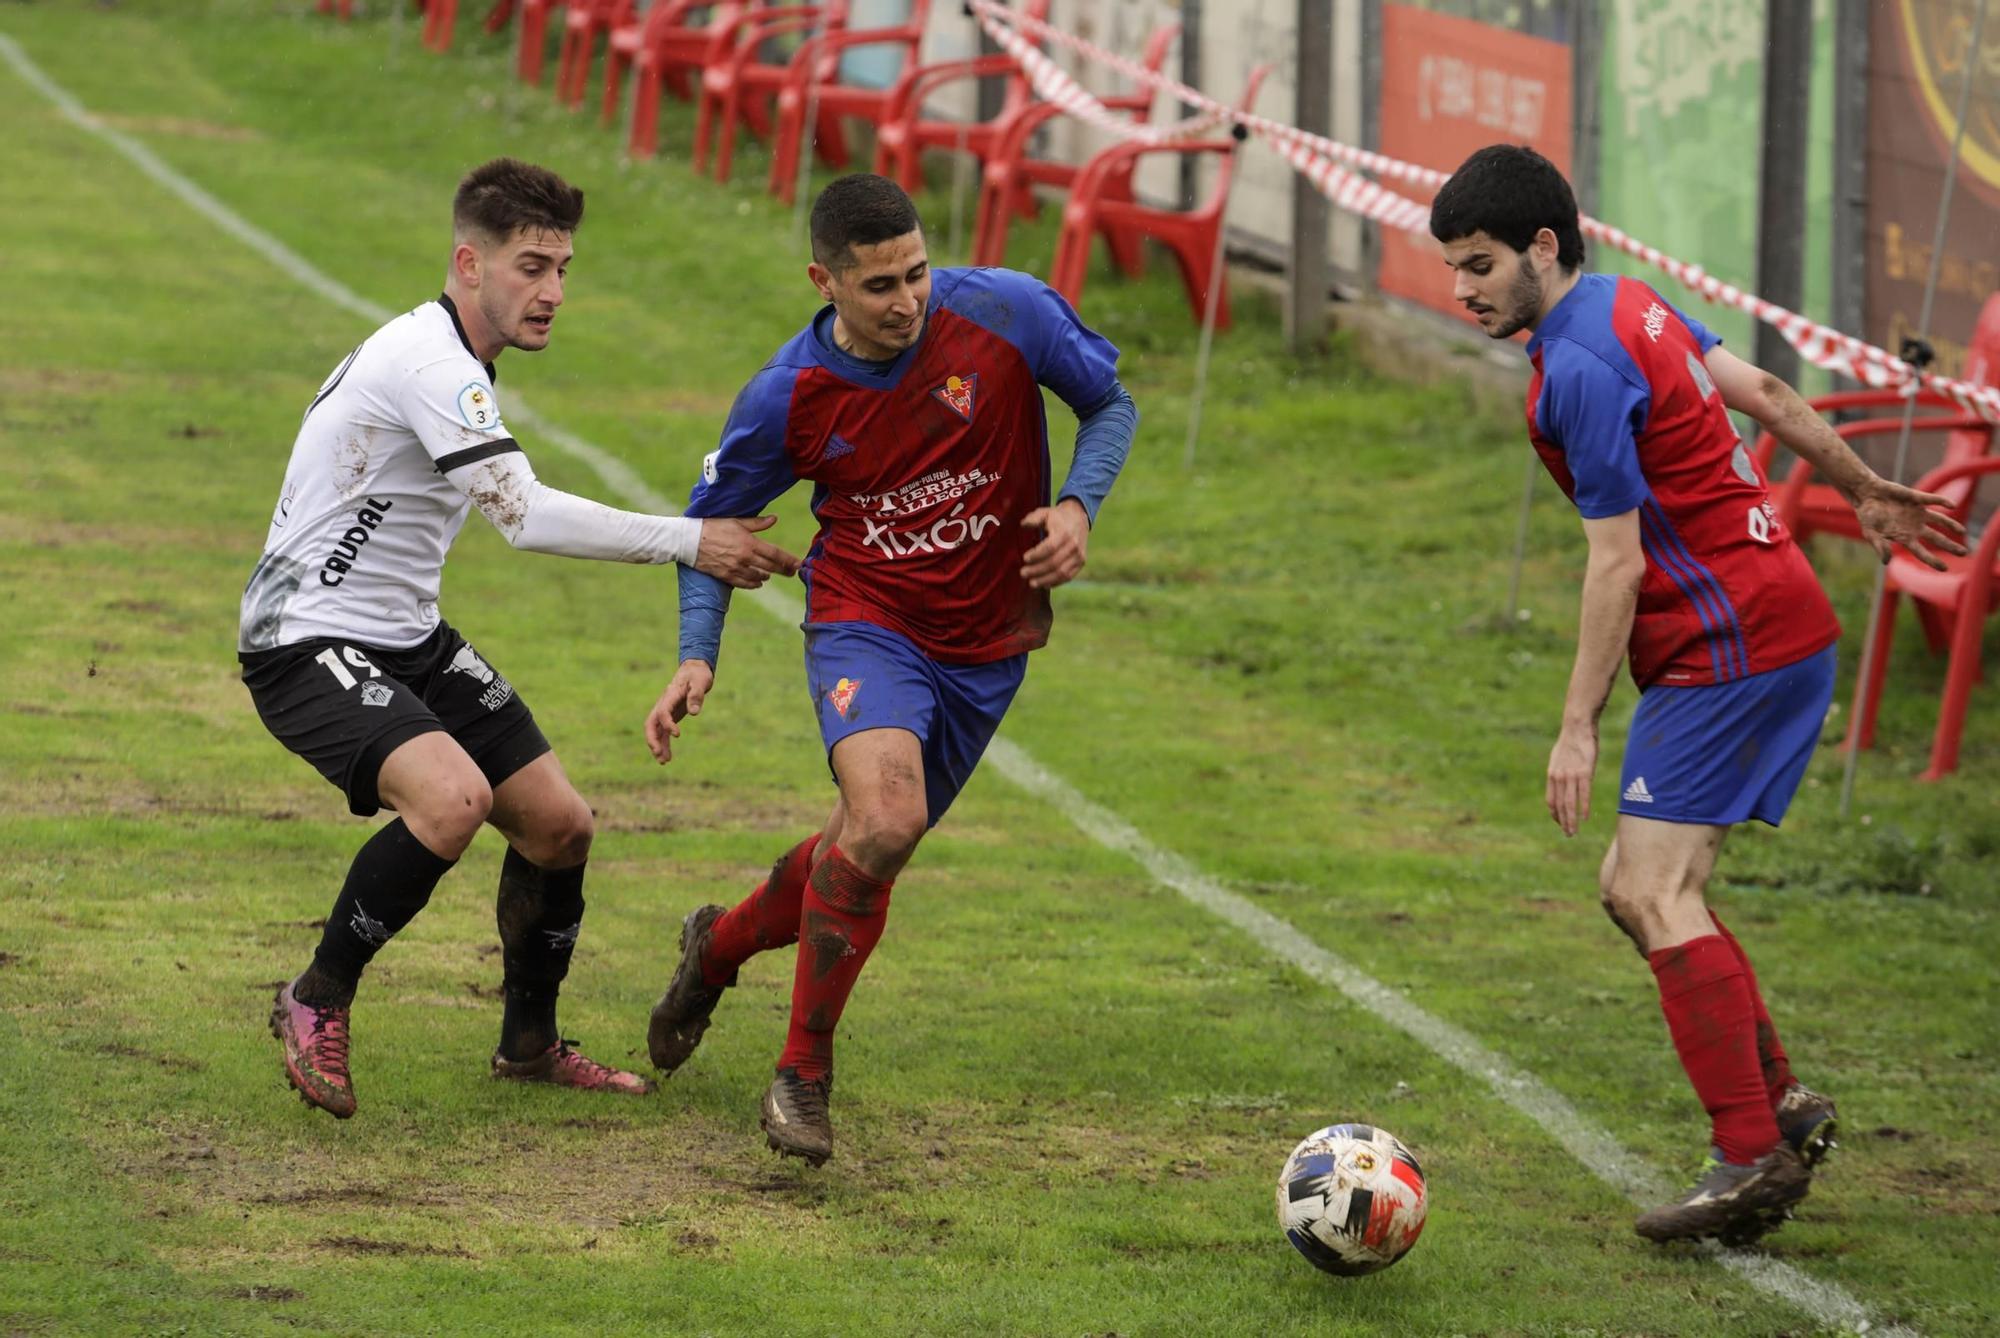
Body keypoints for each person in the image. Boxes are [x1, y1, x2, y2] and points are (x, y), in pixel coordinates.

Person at [1427, 144, 1967, 1244]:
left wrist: (1574, 728)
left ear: (1542, 245)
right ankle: (1776, 1105)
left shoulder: (1576, 367)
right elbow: (1764, 391)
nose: (1461, 290)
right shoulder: (1632, 303)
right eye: (1449, 268)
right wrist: (1859, 487)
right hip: (1769, 623)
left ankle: (1746, 1154)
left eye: (1477, 264)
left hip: (1730, 646)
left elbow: (1614, 565)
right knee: (1635, 884)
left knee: (1654, 890)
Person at [240, 157, 800, 1119]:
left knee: (559, 826)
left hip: (404, 638)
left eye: (564, 269)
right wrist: (695, 542)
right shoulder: (432, 364)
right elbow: (524, 515)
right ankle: (315, 997)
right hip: (303, 641)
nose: (552, 292)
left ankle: (529, 1044)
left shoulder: (457, 359)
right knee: (453, 800)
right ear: (470, 263)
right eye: (531, 266)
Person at [640, 174, 1139, 1166]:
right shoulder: (787, 396)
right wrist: (697, 654)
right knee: (884, 819)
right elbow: (712, 529)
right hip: (866, 623)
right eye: (878, 286)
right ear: (824, 281)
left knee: (859, 851)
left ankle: (718, 950)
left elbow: (1107, 401)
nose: (907, 300)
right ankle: (802, 1075)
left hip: (988, 642)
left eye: (915, 274)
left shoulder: (1005, 311)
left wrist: (1078, 504)